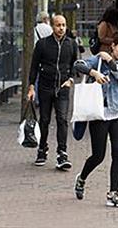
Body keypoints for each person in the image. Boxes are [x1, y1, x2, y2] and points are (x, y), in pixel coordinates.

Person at [73, 34, 118, 208]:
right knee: (98, 156)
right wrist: (94, 72)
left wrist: (110, 62)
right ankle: (82, 178)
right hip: (99, 114)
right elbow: (78, 64)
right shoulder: (98, 60)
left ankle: (113, 194)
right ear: (113, 46)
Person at [27, 14, 78, 170]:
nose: (61, 28)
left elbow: (76, 65)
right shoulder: (42, 44)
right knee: (45, 120)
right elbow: (34, 66)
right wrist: (31, 86)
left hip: (63, 88)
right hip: (45, 87)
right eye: (58, 25)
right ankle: (42, 150)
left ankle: (62, 153)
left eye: (63, 25)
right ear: (52, 26)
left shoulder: (71, 44)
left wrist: (71, 79)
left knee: (62, 119)